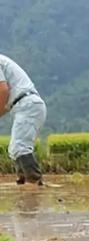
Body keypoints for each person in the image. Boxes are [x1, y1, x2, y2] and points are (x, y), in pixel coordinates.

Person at [0, 54, 46, 185]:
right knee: (14, 150)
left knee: (19, 147)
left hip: (27, 104)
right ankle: (24, 183)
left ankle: (36, 184)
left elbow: (3, 91)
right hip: (25, 105)